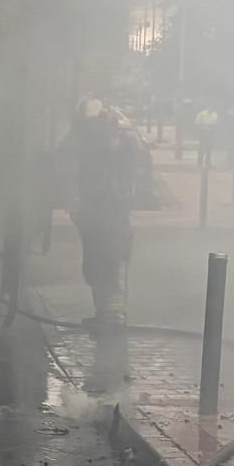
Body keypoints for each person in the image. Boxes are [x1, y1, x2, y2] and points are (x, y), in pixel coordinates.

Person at [67, 98, 140, 341]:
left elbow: (105, 180)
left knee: (108, 267)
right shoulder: (101, 143)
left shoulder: (113, 145)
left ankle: (113, 320)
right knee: (97, 267)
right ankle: (104, 316)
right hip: (100, 214)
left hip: (110, 215)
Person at [194, 105, 219, 169]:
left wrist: (207, 125)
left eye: (213, 107)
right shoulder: (201, 114)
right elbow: (197, 124)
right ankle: (199, 162)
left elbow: (216, 124)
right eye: (210, 106)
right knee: (201, 147)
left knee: (209, 148)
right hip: (203, 132)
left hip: (211, 133)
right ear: (208, 107)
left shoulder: (215, 115)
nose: (212, 108)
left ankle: (207, 162)